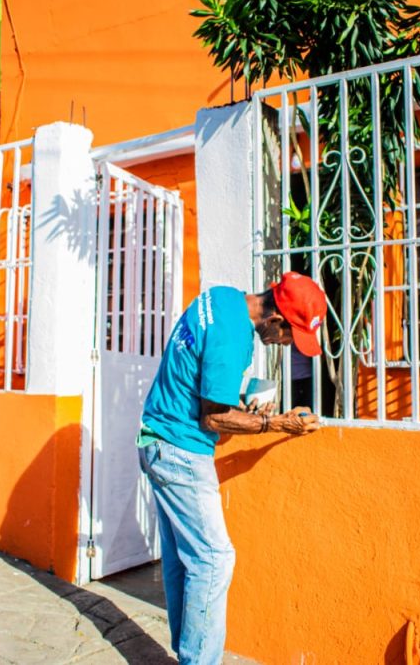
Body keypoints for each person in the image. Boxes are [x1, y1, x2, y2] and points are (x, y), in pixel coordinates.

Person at [138, 271, 327, 664]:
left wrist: (240, 401)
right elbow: (213, 418)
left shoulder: (221, 299)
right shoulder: (235, 337)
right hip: (179, 451)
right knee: (213, 559)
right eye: (290, 336)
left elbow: (203, 385)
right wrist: (277, 424)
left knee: (183, 558)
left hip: (156, 437)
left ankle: (188, 652)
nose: (287, 345)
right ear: (276, 320)